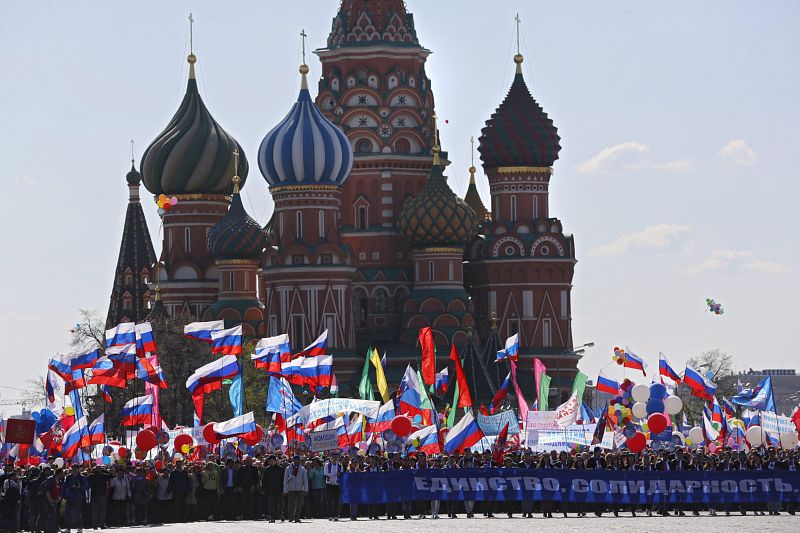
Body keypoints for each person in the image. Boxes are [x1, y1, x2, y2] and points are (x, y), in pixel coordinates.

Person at [62, 464, 88, 533]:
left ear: (78, 469)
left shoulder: (82, 477)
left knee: (77, 513)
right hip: (69, 497)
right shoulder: (68, 477)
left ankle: (79, 527)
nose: (74, 470)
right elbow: (64, 486)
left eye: (76, 469)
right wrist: (63, 495)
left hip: (78, 497)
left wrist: (80, 487)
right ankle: (67, 528)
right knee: (67, 513)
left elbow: (86, 486)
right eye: (73, 469)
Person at [283, 456, 307, 523]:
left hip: (299, 488)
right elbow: (285, 479)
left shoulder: (302, 469)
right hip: (291, 488)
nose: (297, 462)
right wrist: (285, 490)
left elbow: (305, 480)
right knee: (291, 504)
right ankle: (290, 517)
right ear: (293, 460)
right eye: (295, 460)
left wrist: (305, 489)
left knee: (299, 504)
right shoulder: (288, 468)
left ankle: (297, 517)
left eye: (298, 460)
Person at [1, 468, 22, 532]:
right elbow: (18, 488)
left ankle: (7, 527)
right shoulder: (12, 482)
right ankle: (13, 528)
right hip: (13, 500)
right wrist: (18, 481)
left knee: (8, 514)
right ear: (13, 476)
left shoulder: (5, 481)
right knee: (13, 514)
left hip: (7, 500)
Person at [323, 453, 343, 521]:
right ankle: (330, 515)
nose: (335, 458)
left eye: (336, 457)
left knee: (336, 501)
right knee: (329, 500)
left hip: (336, 484)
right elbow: (326, 474)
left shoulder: (340, 465)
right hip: (329, 484)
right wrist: (335, 474)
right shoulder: (327, 465)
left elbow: (341, 474)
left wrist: (335, 475)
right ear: (331, 458)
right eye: (334, 457)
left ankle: (335, 515)